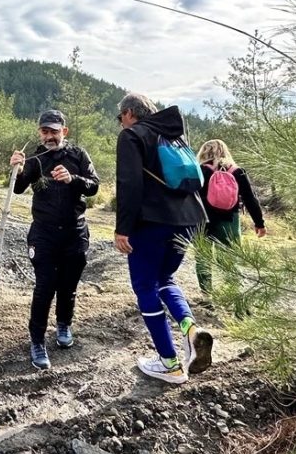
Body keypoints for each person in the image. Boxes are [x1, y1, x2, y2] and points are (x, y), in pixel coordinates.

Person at [113, 93, 212, 385]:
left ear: (130, 113)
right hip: (189, 219)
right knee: (166, 279)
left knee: (145, 285)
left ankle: (170, 364)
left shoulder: (133, 135)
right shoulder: (174, 136)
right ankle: (193, 334)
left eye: (120, 118)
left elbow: (129, 184)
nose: (121, 124)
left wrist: (123, 228)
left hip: (152, 223)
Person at [9, 110, 100, 370]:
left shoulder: (79, 155)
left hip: (75, 232)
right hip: (44, 234)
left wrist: (73, 179)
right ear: (40, 132)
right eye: (45, 131)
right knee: (45, 286)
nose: (49, 136)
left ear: (64, 132)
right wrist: (17, 167)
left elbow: (94, 185)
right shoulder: (36, 159)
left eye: (54, 131)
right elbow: (17, 188)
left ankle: (63, 325)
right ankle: (37, 341)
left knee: (68, 286)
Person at [195, 139, 267, 293]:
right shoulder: (236, 171)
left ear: (204, 152)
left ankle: (207, 295)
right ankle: (234, 293)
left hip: (203, 220)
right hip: (229, 220)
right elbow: (250, 199)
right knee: (230, 258)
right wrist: (259, 223)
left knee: (203, 257)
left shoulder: (199, 170)